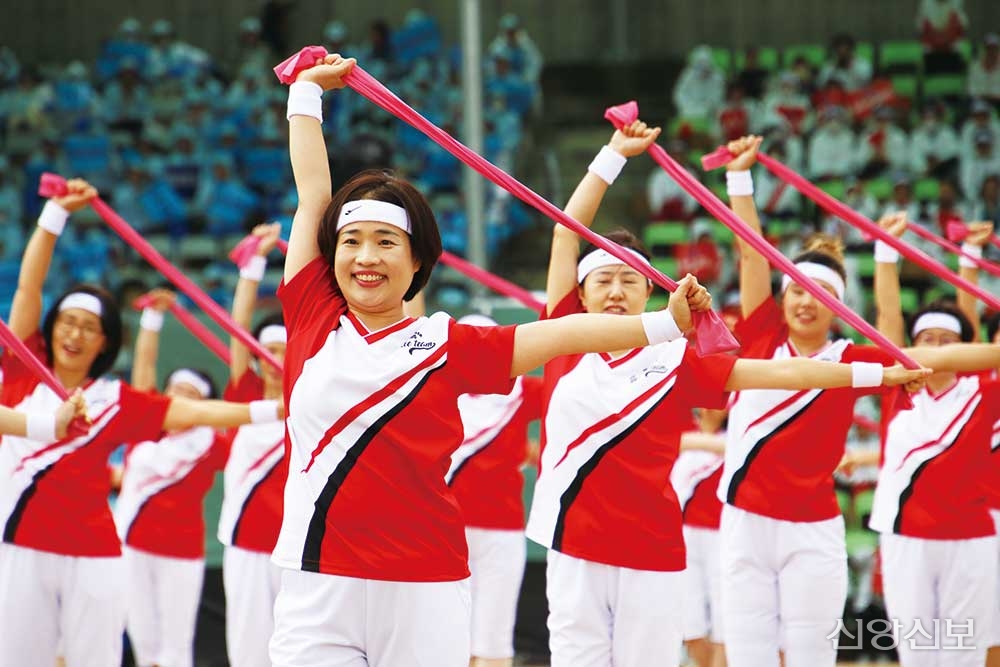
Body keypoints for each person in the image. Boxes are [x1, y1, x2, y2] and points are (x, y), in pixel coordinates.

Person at [268, 54, 927, 667]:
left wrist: (670, 327)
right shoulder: (312, 315)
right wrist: (305, 94)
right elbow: (314, 195)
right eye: (353, 241)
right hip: (321, 576)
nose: (366, 256)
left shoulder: (451, 343)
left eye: (387, 241)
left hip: (433, 580)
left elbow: (753, 370)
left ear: (417, 262)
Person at [528, 125, 927, 667]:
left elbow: (782, 374)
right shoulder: (561, 337)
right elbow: (565, 233)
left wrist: (878, 376)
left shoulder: (675, 358)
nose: (616, 290)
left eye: (629, 280)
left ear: (651, 292)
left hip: (651, 550)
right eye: (603, 280)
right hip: (573, 545)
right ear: (579, 293)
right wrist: (612, 155)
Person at [720, 136, 996, 667]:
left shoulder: (858, 358)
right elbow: (750, 250)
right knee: (750, 658)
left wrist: (896, 260)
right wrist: (739, 178)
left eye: (822, 294)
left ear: (840, 307)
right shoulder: (759, 334)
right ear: (782, 296)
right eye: (796, 290)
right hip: (745, 523)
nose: (806, 302)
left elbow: (937, 352)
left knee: (813, 658)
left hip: (815, 530)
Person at [0, 179, 283, 667]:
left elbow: (197, 414)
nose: (75, 334)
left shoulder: (114, 400)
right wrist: (54, 216)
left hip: (95, 554)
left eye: (90, 328)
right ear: (51, 327)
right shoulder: (23, 372)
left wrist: (275, 410)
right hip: (20, 543)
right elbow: (29, 287)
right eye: (68, 322)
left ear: (106, 343)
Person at [868, 215, 1000, 665]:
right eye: (927, 339)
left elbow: (973, 325)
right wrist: (885, 251)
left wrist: (971, 257)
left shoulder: (983, 391)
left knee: (964, 656)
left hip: (970, 538)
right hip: (907, 535)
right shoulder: (897, 387)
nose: (937, 349)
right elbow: (888, 318)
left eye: (948, 341)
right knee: (918, 655)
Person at [113, 288, 232, 667]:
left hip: (181, 552)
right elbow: (143, 371)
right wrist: (152, 317)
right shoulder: (144, 425)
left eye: (190, 394)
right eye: (174, 390)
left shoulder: (211, 441)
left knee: (175, 648)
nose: (178, 398)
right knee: (143, 641)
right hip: (131, 544)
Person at [218, 222, 288, 667]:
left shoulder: (309, 401)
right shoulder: (242, 394)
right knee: (248, 653)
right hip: (244, 543)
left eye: (282, 351)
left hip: (295, 549)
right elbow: (238, 326)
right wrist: (254, 264)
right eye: (266, 352)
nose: (273, 360)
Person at [671, 408, 728, 667]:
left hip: (723, 536)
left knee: (724, 623)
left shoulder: (738, 431)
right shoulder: (680, 425)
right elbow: (671, 441)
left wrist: (698, 442)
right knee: (689, 626)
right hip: (682, 535)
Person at [968, 33, 1000, 105]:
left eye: (994, 48)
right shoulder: (975, 66)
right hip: (979, 103)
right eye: (989, 48)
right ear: (984, 49)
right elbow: (971, 89)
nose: (991, 51)